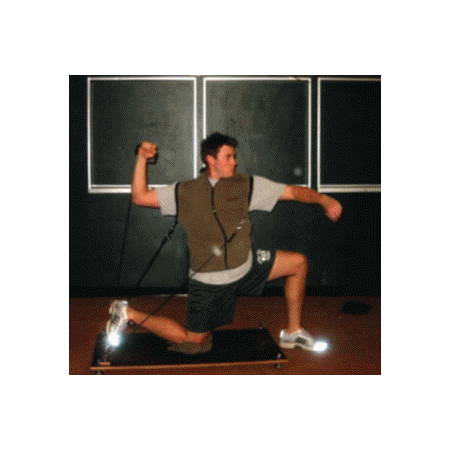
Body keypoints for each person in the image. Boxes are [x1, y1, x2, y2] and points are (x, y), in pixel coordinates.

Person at [106, 133, 343, 354]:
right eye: (228, 157)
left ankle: (293, 332)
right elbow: (140, 197)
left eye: (234, 157)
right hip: (210, 281)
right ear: (211, 160)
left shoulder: (246, 185)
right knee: (194, 342)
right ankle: (127, 313)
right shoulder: (186, 191)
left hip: (246, 267)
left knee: (298, 263)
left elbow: (292, 192)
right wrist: (142, 159)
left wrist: (322, 199)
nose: (234, 162)